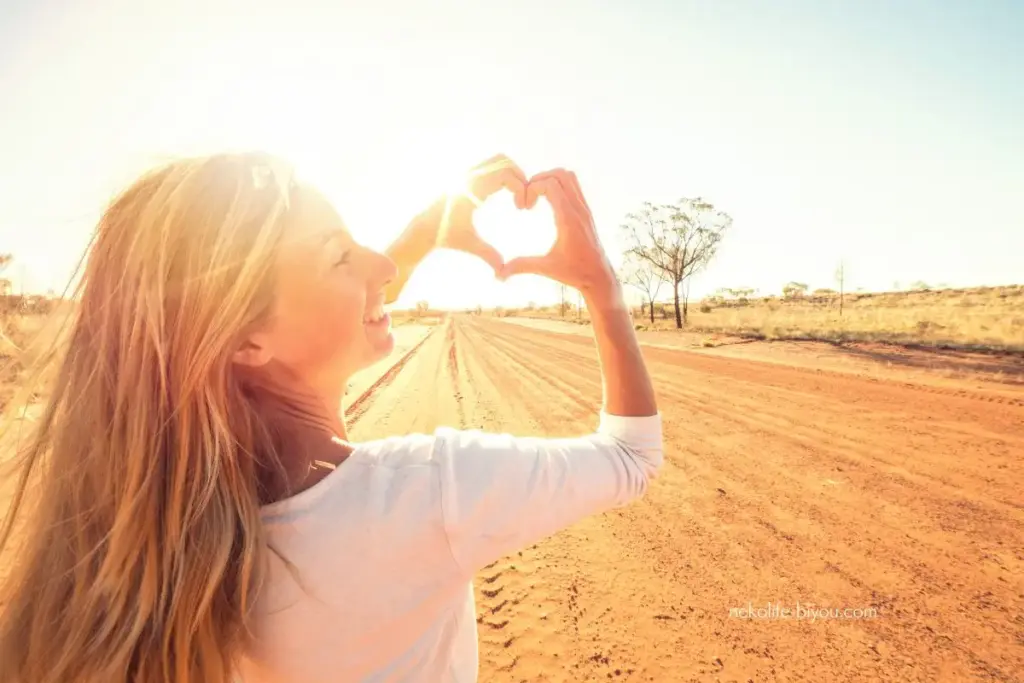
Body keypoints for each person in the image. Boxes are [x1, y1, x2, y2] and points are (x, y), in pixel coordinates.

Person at [0, 152, 662, 682]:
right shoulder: (434, 490)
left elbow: (304, 324)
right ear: (245, 340)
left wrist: (417, 237)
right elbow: (632, 457)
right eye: (339, 255)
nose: (383, 265)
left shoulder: (163, 541)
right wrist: (600, 284)